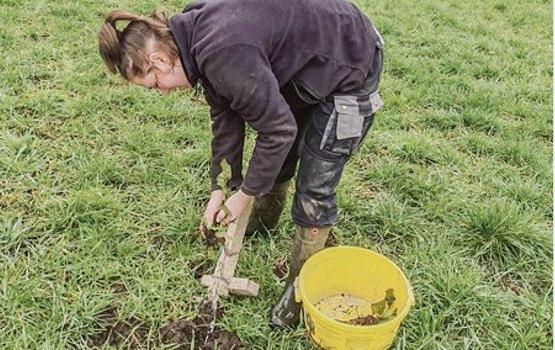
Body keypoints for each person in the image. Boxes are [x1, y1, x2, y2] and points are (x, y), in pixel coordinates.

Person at [98, 0, 384, 328]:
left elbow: (277, 130)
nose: (162, 93)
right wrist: (220, 189)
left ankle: (300, 289)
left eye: (155, 85)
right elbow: (225, 113)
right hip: (307, 62)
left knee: (314, 187)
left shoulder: (221, 49)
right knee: (280, 146)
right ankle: (265, 218)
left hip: (349, 58)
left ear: (159, 60)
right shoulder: (192, 37)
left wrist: (244, 194)